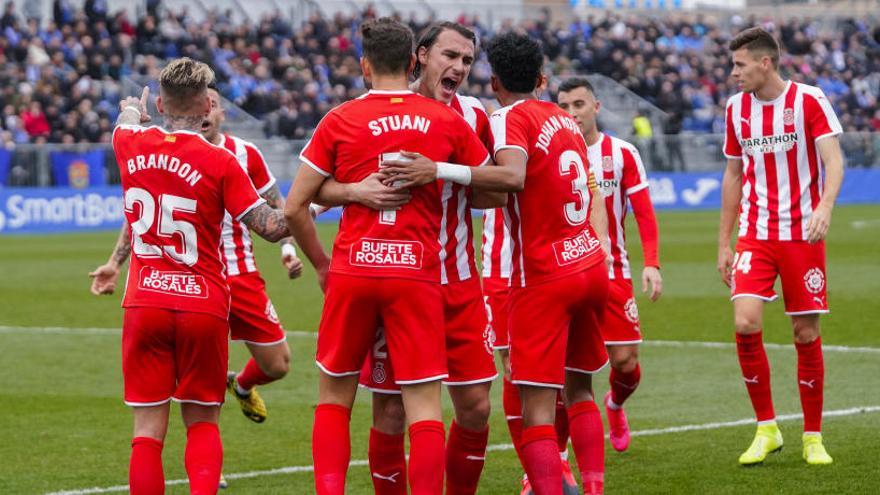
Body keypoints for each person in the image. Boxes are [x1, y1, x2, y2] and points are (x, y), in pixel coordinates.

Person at [382, 32, 612, 495]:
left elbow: (511, 176)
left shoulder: (507, 118)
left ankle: (547, 484)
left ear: (494, 81)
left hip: (544, 276)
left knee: (537, 412)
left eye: (468, 60)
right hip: (588, 262)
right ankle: (593, 487)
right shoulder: (565, 120)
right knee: (582, 389)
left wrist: (436, 170)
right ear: (542, 78)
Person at [283, 18, 491, 495]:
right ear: (414, 59)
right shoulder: (446, 120)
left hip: (354, 271)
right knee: (422, 409)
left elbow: (295, 207)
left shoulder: (339, 118)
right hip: (417, 276)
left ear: (365, 65)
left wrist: (321, 264)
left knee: (335, 400)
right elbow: (493, 191)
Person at [106, 58, 290, 494]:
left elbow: (126, 116)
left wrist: (135, 108)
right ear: (208, 103)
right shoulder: (220, 160)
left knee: (147, 431)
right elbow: (271, 227)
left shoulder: (128, 141)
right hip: (203, 304)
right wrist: (320, 197)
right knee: (202, 422)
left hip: (145, 301)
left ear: (163, 101)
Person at [90, 83, 303, 427]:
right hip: (193, 282)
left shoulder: (243, 154)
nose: (208, 111)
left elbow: (275, 211)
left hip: (240, 273)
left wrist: (289, 251)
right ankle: (208, 467)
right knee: (195, 390)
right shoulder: (168, 154)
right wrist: (115, 262)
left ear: (216, 112)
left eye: (216, 104)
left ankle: (242, 385)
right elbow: (142, 217)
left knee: (277, 364)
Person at [718, 27, 844, 466]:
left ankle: (813, 436)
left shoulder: (808, 100)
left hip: (801, 235)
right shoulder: (735, 110)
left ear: (764, 62)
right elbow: (733, 176)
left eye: (739, 64)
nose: (733, 73)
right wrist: (724, 243)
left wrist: (824, 206)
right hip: (756, 232)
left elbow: (833, 158)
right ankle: (766, 428)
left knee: (804, 333)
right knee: (746, 321)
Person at [556, 77, 662, 454]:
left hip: (612, 271)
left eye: (579, 105)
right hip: (564, 274)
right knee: (563, 371)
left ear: (596, 107)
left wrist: (651, 263)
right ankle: (560, 452)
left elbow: (645, 213)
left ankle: (615, 405)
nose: (572, 113)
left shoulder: (622, 153)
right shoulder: (550, 154)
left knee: (625, 360)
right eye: (564, 106)